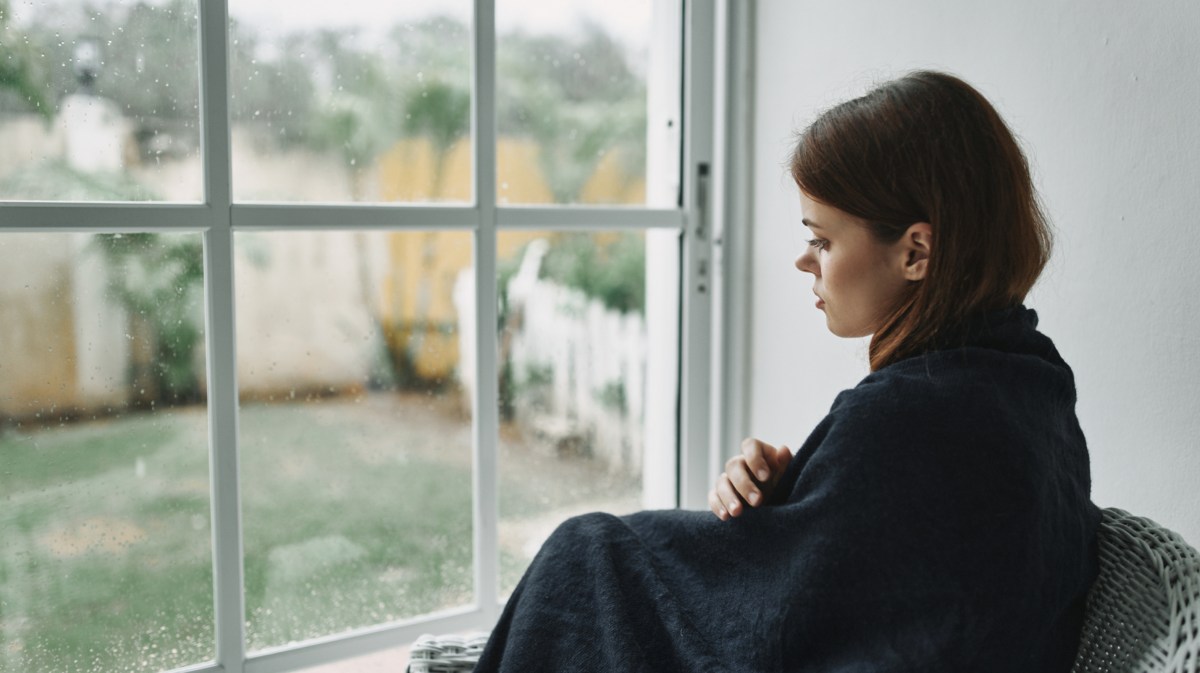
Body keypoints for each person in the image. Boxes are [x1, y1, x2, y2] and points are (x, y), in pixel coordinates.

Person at [473, 70, 1099, 673]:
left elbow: (790, 628)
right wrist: (788, 508)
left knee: (586, 558)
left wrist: (783, 531)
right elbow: (893, 573)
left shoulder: (905, 416)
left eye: (822, 241)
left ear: (916, 252)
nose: (805, 261)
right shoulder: (1034, 381)